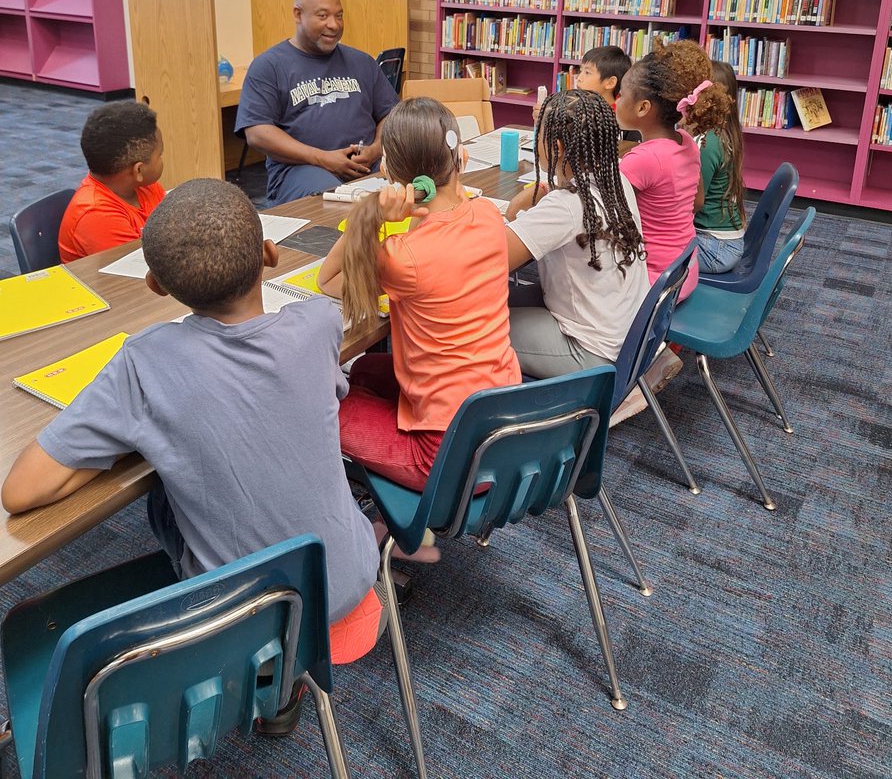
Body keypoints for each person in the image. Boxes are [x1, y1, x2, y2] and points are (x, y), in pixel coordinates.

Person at [4, 179, 382, 671]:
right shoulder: (318, 324)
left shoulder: (144, 363)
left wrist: (133, 435)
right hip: (352, 575)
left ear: (155, 285)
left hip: (246, 624)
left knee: (164, 493)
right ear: (269, 255)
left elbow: (19, 492)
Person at [318, 97, 521, 514]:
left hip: (446, 458)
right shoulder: (487, 214)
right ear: (461, 158)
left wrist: (374, 215)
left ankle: (361, 507)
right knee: (365, 369)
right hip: (499, 427)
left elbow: (329, 279)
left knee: (318, 407)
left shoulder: (403, 257)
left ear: (390, 173)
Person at [504, 89, 650, 379]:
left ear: (556, 146)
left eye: (538, 134)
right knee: (494, 300)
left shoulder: (567, 206)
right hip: (625, 334)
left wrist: (504, 210)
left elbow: (488, 260)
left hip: (590, 351)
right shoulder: (615, 179)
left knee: (469, 327)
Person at [235, 0, 398, 204]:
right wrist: (323, 158)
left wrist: (376, 149)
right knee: (335, 200)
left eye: (339, 16)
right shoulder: (269, 66)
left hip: (367, 165)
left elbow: (391, 114)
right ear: (298, 14)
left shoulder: (361, 62)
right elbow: (257, 133)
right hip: (300, 170)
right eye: (323, 16)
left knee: (411, 185)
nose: (334, 24)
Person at [616, 39, 733, 302]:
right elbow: (697, 202)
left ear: (643, 107)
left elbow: (599, 209)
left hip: (652, 283)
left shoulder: (644, 159)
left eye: (621, 94)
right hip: (683, 273)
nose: (617, 100)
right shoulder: (686, 142)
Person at [58, 99, 166, 263]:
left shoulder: (145, 186)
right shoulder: (96, 214)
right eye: (160, 155)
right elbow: (138, 268)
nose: (162, 159)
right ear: (138, 170)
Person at [689, 61, 746, 273]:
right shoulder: (723, 132)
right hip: (723, 242)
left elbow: (692, 202)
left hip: (715, 249)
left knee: (646, 249)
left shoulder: (707, 143)